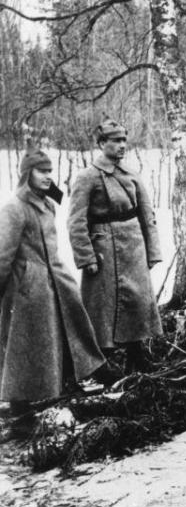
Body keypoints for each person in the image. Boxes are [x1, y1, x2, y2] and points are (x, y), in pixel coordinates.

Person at [0, 146, 116, 430]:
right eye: (41, 171)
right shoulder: (14, 208)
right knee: (25, 348)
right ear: (27, 174)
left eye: (50, 171)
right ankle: (20, 411)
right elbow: (3, 254)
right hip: (28, 287)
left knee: (73, 326)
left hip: (55, 277)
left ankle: (92, 372)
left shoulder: (49, 203)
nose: (47, 176)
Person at [68, 118, 162, 372]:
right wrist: (86, 256)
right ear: (102, 144)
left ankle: (136, 355)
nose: (122, 146)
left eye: (124, 140)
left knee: (139, 303)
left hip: (134, 246)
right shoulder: (88, 177)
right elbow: (76, 221)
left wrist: (152, 251)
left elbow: (147, 214)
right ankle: (103, 361)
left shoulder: (131, 173)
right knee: (103, 308)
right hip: (104, 250)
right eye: (116, 141)